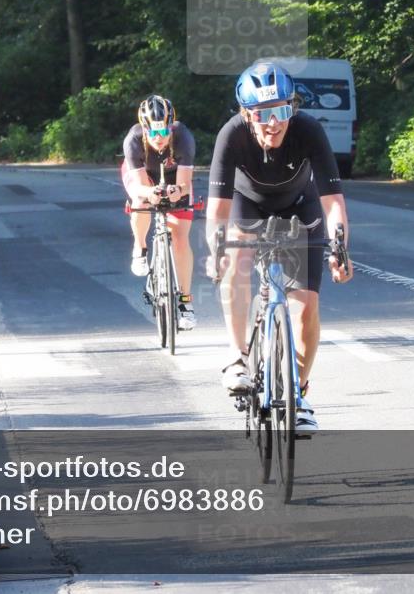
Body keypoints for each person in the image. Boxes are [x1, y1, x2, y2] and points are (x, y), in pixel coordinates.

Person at [205, 61, 353, 434]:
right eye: (264, 114)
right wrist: (217, 250)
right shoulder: (232, 135)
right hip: (247, 204)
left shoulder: (308, 131)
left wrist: (339, 248)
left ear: (293, 108)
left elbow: (333, 203)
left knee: (307, 307)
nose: (274, 123)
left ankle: (299, 395)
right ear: (246, 114)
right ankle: (238, 358)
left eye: (283, 110)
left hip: (298, 206)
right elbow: (218, 211)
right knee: (236, 261)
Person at [121, 95, 197, 331]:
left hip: (174, 177)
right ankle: (140, 247)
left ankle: (185, 303)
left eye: (164, 132)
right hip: (144, 177)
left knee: (181, 237)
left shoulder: (183, 137)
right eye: (153, 133)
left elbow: (185, 184)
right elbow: (139, 185)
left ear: (171, 126)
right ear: (144, 130)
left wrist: (177, 192)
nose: (160, 138)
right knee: (141, 200)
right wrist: (150, 193)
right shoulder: (133, 140)